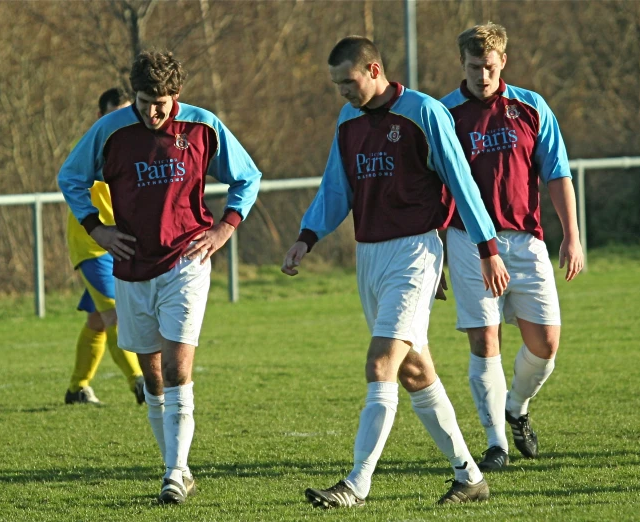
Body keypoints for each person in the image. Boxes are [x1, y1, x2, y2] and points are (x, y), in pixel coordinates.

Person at [282, 36, 510, 508]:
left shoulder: (423, 113)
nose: (342, 92)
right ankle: (469, 477)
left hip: (416, 252)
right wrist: (307, 237)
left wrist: (487, 247)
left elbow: (461, 182)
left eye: (349, 81)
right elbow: (334, 189)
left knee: (380, 362)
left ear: (374, 69)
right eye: (336, 84)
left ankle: (356, 485)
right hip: (369, 256)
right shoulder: (348, 122)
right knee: (413, 372)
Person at [58, 50, 261, 505]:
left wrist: (225, 227)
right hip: (131, 265)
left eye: (163, 103)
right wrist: (96, 227)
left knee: (176, 366)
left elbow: (247, 177)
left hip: (185, 261)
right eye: (146, 100)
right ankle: (174, 465)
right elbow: (70, 177)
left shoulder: (202, 126)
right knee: (152, 376)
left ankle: (175, 472)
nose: (154, 112)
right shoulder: (110, 130)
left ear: (178, 96)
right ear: (134, 93)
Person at [437, 22, 584, 471]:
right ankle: (495, 443)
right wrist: (436, 253)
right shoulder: (444, 115)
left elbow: (556, 173)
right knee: (485, 340)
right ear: (462, 64)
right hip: (466, 241)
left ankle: (515, 407)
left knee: (546, 345)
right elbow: (433, 189)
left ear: (503, 62)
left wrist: (572, 237)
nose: (482, 75)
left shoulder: (531, 107)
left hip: (525, 241)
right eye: (473, 66)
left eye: (489, 66)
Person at [64, 87, 145, 406]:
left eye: (127, 113)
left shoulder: (135, 146)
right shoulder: (91, 147)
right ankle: (140, 384)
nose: (121, 121)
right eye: (114, 113)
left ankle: (77, 388)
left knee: (97, 321)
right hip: (94, 246)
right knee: (116, 316)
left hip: (122, 246)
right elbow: (71, 182)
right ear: (100, 117)